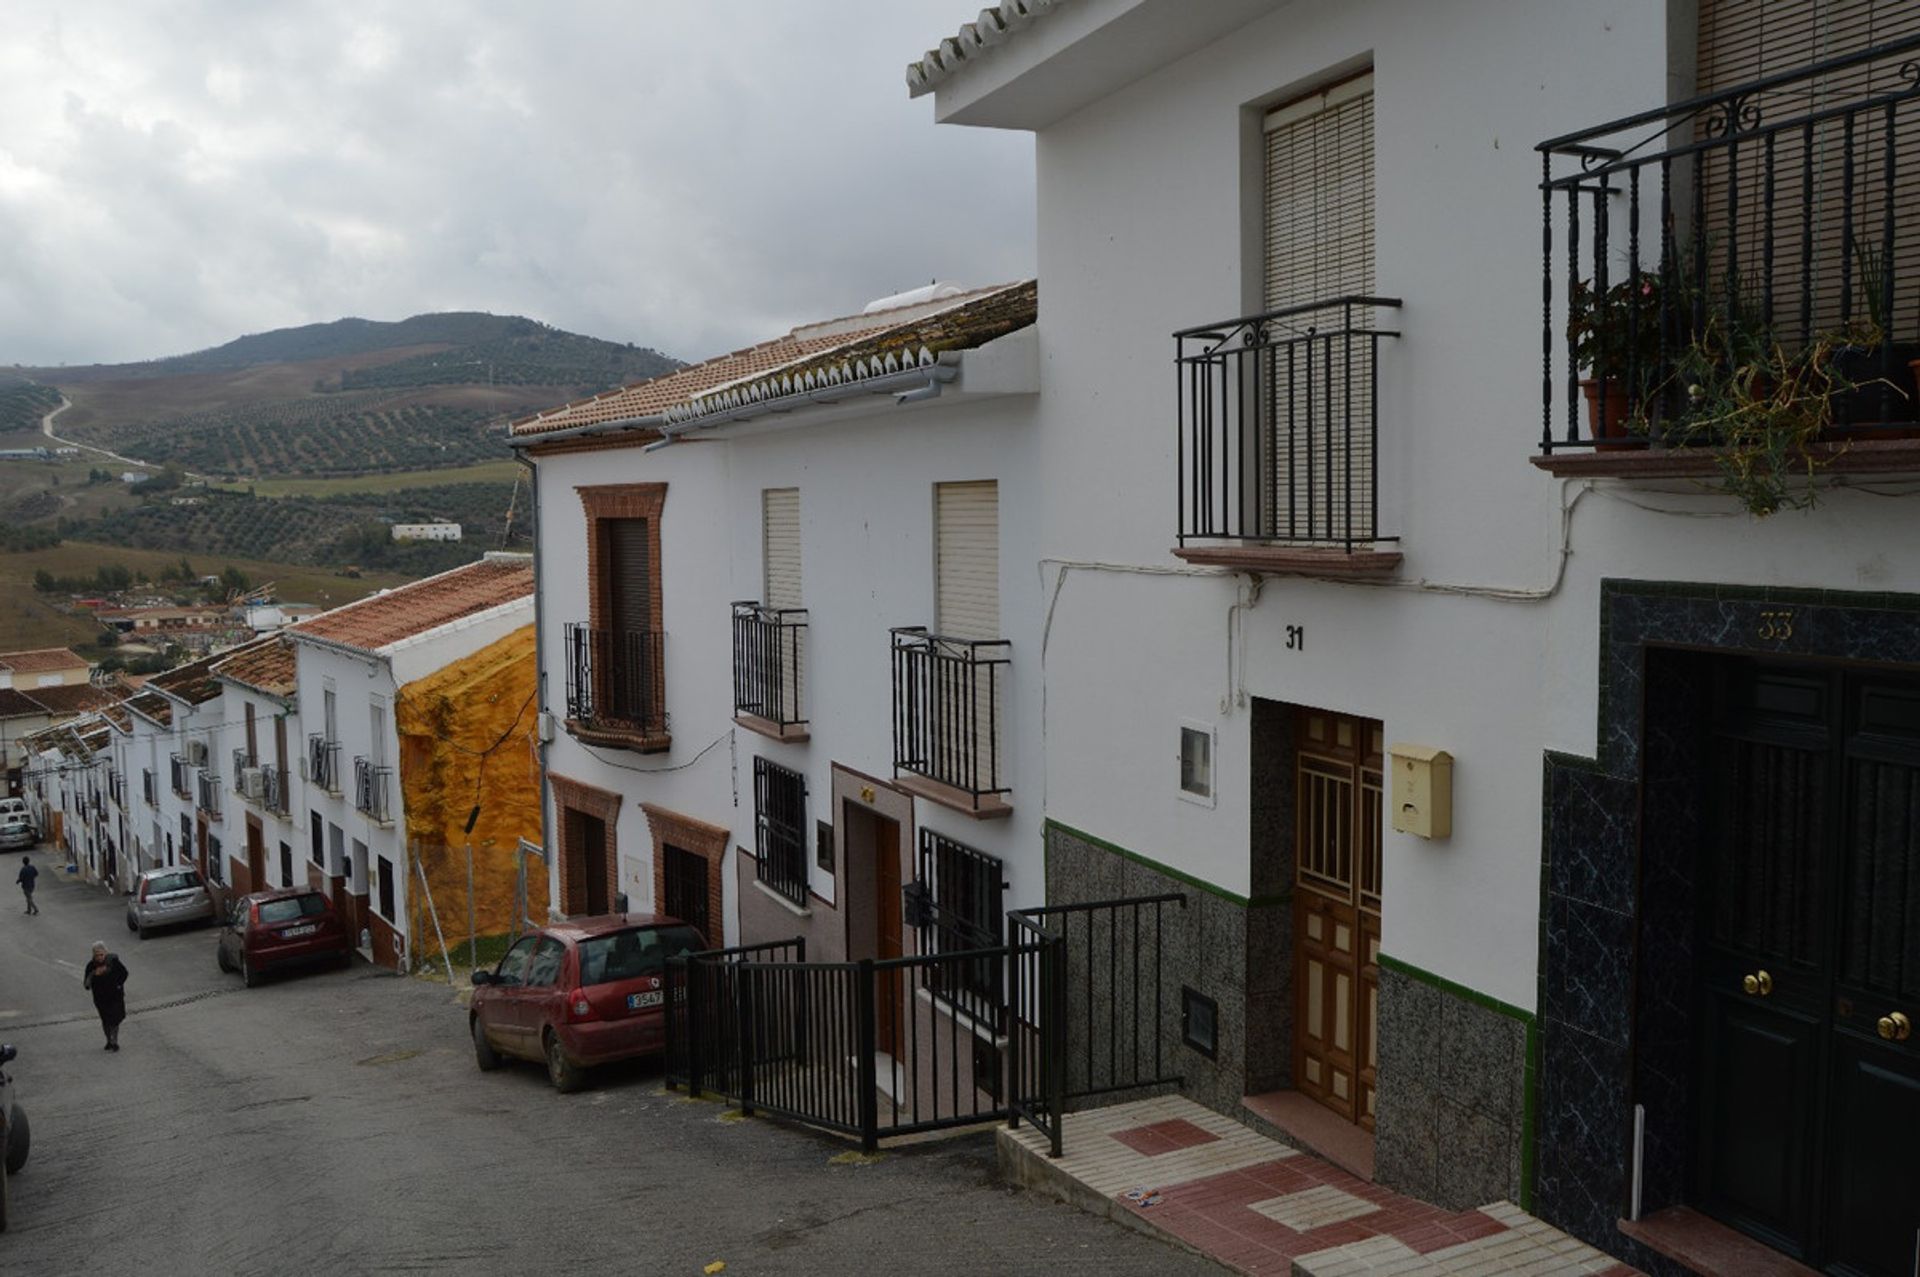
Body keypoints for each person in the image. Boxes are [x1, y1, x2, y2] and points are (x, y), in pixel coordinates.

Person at [82, 942, 129, 1051]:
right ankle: (109, 1040)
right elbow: (86, 984)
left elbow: (124, 973)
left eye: (101, 954)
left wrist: (118, 985)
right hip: (101, 999)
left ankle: (114, 1042)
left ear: (105, 953)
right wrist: (94, 974)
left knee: (115, 1019)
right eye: (97, 955)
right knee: (106, 1020)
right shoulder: (91, 966)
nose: (99, 957)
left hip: (115, 997)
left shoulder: (113, 962)